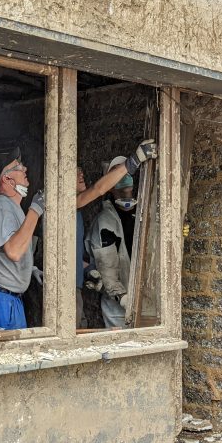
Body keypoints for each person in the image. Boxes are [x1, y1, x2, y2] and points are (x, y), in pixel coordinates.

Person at [75, 139, 156, 328]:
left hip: (147, 303)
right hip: (120, 309)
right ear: (110, 183)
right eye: (119, 173)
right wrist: (123, 297)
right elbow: (107, 266)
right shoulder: (106, 221)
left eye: (128, 173)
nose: (126, 177)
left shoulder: (143, 214)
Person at [0, 151, 45, 330]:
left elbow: (8, 248)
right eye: (18, 167)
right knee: (10, 356)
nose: (25, 168)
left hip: (3, 298)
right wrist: (35, 210)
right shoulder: (2, 207)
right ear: (7, 179)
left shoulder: (11, 207)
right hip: (0, 300)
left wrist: (30, 269)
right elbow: (13, 251)